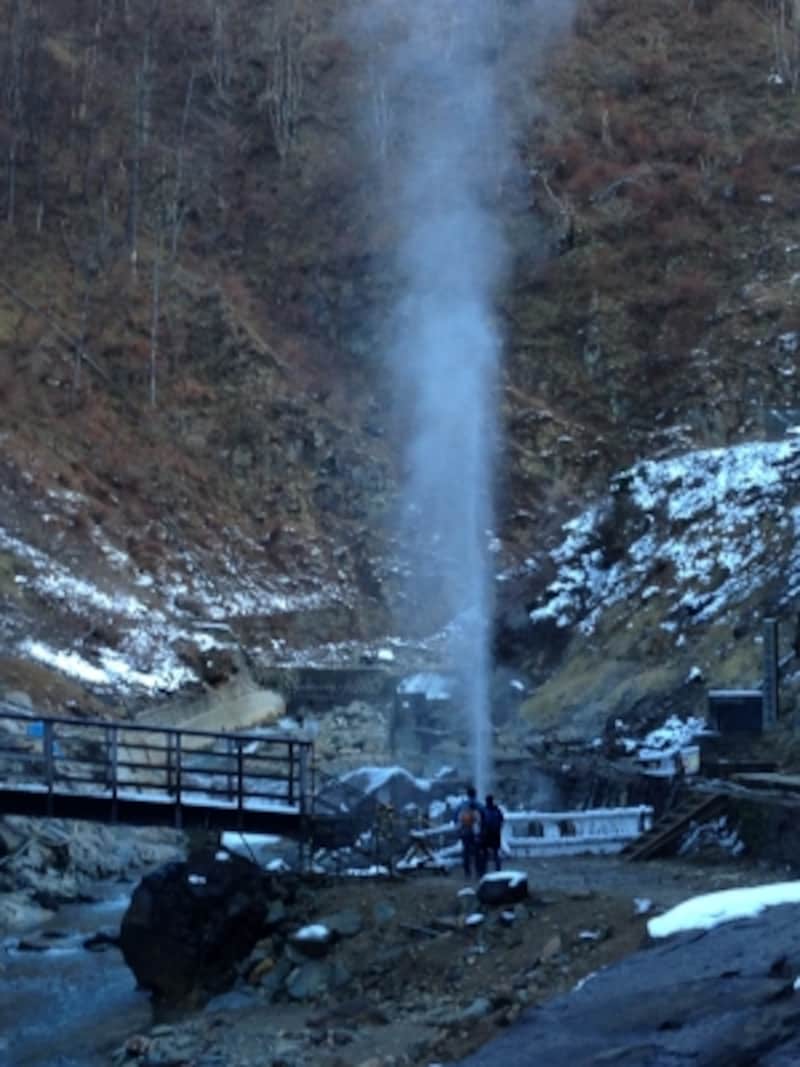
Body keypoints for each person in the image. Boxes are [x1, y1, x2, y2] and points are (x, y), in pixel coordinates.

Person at [454, 785, 483, 878]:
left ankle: (467, 872)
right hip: (475, 832)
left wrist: (458, 827)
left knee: (465, 852)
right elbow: (484, 816)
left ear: (467, 794)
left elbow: (455, 816)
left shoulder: (462, 805)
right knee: (477, 852)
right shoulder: (478, 804)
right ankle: (478, 872)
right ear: (475, 794)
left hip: (464, 831)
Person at [479, 793, 504, 875]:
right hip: (496, 834)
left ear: (486, 801)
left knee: (484, 854)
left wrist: (481, 834)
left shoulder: (483, 810)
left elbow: (481, 823)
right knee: (496, 853)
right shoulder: (497, 809)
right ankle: (498, 870)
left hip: (486, 835)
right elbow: (502, 821)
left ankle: (483, 871)